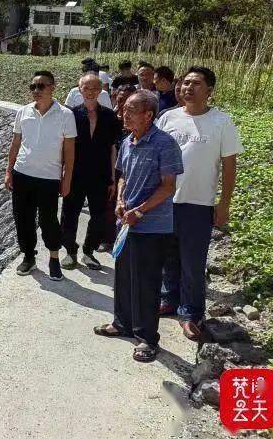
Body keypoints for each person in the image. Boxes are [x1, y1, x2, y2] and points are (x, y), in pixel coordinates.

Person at [93, 90, 184, 363]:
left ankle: (147, 338)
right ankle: (122, 322)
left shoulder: (164, 144)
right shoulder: (128, 141)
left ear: (148, 115)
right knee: (124, 276)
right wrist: (121, 201)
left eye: (131, 110)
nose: (124, 114)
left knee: (147, 282)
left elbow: (168, 187)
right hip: (127, 223)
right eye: (124, 109)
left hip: (152, 226)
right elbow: (122, 176)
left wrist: (140, 211)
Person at [157, 66, 243, 340]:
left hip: (198, 204)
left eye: (196, 83)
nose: (187, 88)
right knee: (167, 256)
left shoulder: (222, 122)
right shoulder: (167, 118)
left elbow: (230, 167)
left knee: (193, 262)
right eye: (185, 83)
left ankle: (191, 313)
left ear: (209, 90)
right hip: (165, 201)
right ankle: (169, 299)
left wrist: (224, 203)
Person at [5, 71, 77, 281]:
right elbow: (16, 144)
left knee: (48, 221)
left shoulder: (65, 115)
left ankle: (54, 257)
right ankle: (29, 256)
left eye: (41, 86)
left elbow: (69, 152)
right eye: (33, 86)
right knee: (23, 219)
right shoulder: (23, 112)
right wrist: (9, 170)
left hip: (49, 178)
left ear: (52, 87)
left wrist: (67, 178)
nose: (36, 90)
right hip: (22, 174)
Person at [60, 74, 121, 269]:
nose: (91, 92)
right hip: (75, 173)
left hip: (101, 174)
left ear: (101, 90)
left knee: (99, 215)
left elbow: (113, 148)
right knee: (70, 213)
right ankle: (70, 251)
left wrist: (112, 178)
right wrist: (63, 174)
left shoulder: (109, 116)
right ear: (80, 90)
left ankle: (88, 251)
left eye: (95, 88)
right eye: (87, 88)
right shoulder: (71, 114)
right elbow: (64, 147)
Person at [99, 83, 138, 251]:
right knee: (107, 204)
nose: (122, 104)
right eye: (119, 99)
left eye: (127, 100)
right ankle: (107, 238)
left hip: (130, 169)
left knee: (126, 203)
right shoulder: (109, 117)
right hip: (108, 166)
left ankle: (125, 237)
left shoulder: (139, 121)